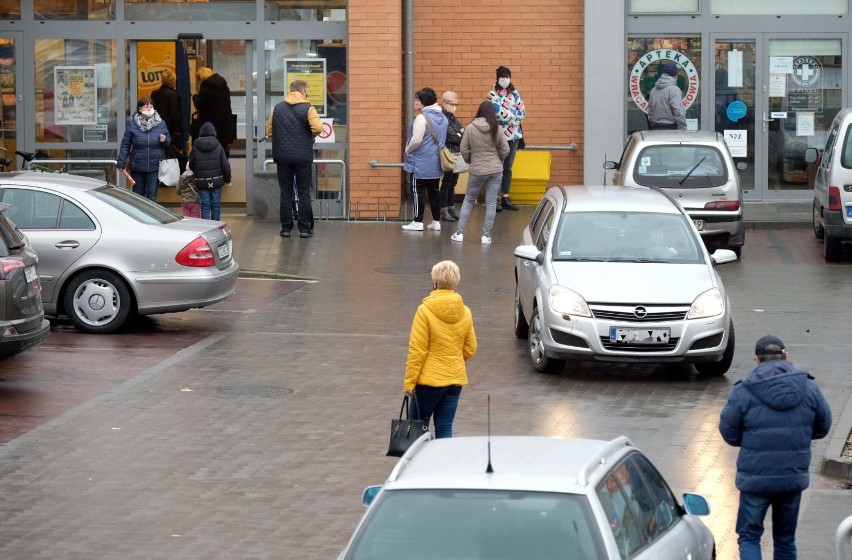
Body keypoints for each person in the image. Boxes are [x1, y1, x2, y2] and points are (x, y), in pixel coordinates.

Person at [719, 335, 832, 560]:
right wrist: (799, 436)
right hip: (791, 478)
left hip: (755, 479)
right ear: (786, 357)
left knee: (749, 536)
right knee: (785, 539)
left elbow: (729, 432)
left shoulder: (744, 391)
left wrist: (753, 441)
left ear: (757, 360)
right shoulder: (809, 387)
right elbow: (824, 426)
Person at [403, 260, 477, 439]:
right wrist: (452, 360)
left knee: (416, 429)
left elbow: (417, 351)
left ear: (435, 282)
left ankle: (421, 465)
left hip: (429, 382)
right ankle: (445, 465)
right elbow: (471, 347)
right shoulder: (465, 311)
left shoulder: (424, 310)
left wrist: (409, 383)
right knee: (445, 428)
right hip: (454, 381)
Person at [265, 79, 322, 238]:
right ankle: (304, 228)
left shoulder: (277, 108)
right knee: (304, 191)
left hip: (282, 156)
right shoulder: (308, 108)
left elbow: (269, 131)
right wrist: (310, 135)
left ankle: (286, 228)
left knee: (286, 192)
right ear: (303, 92)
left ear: (291, 91)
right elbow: (318, 128)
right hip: (303, 156)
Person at [450, 100, 509, 245]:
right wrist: (498, 160)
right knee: (490, 203)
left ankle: (459, 233)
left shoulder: (470, 128)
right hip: (496, 170)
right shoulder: (497, 128)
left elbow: (464, 149)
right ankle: (486, 236)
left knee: (469, 200)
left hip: (477, 170)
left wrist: (471, 160)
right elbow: (506, 150)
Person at [402, 87, 448, 232]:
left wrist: (407, 149)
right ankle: (436, 221)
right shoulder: (442, 117)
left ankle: (417, 221)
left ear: (424, 102)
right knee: (434, 191)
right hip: (435, 161)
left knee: (417, 191)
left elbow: (416, 139)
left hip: (420, 161)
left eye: (418, 99)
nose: (415, 102)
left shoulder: (422, 118)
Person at [116, 97, 170, 202]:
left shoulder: (161, 123)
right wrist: (121, 162)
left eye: (151, 106)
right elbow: (125, 144)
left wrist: (165, 140)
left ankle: (151, 217)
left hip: (155, 165)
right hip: (138, 166)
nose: (149, 108)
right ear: (140, 109)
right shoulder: (133, 125)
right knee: (138, 196)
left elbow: (168, 142)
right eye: (146, 106)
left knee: (151, 195)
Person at [487, 65, 525, 212]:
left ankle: (505, 197)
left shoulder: (515, 94)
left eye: (507, 76)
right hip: (499, 136)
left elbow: (522, 113)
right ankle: (493, 199)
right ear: (497, 78)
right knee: (497, 167)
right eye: (502, 77)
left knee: (507, 167)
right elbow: (498, 114)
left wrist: (511, 115)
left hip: (515, 136)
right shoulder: (492, 95)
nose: (505, 79)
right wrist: (513, 115)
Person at [188, 122, 231, 221]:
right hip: (216, 181)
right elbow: (225, 164)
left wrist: (197, 173)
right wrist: (227, 179)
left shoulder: (195, 147)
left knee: (205, 205)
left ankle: (206, 227)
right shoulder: (218, 146)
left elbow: (191, 164)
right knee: (216, 205)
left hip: (202, 181)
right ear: (214, 133)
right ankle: (216, 226)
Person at [192, 67, 236, 157]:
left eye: (199, 79)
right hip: (225, 124)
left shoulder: (206, 86)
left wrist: (194, 96)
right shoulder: (223, 85)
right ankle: (223, 167)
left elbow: (201, 103)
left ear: (202, 77)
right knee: (222, 149)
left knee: (210, 151)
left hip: (211, 124)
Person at [151, 69, 185, 171]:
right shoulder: (173, 95)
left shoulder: (155, 94)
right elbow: (175, 115)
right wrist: (179, 131)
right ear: (173, 81)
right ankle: (168, 175)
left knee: (158, 153)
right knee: (170, 155)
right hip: (169, 130)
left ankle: (158, 174)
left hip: (156, 128)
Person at [439, 91, 463, 222]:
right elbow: (453, 136)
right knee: (447, 182)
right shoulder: (443, 117)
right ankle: (444, 209)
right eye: (452, 104)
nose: (454, 106)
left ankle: (451, 207)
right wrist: (459, 134)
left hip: (456, 153)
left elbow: (462, 130)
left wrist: (460, 134)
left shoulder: (452, 117)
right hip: (448, 153)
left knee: (453, 182)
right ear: (445, 103)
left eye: (456, 104)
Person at [647, 60, 687, 130]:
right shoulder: (674, 90)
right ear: (675, 74)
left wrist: (652, 124)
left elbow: (650, 110)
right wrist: (683, 130)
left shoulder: (653, 90)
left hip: (655, 128)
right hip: (670, 129)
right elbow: (679, 112)